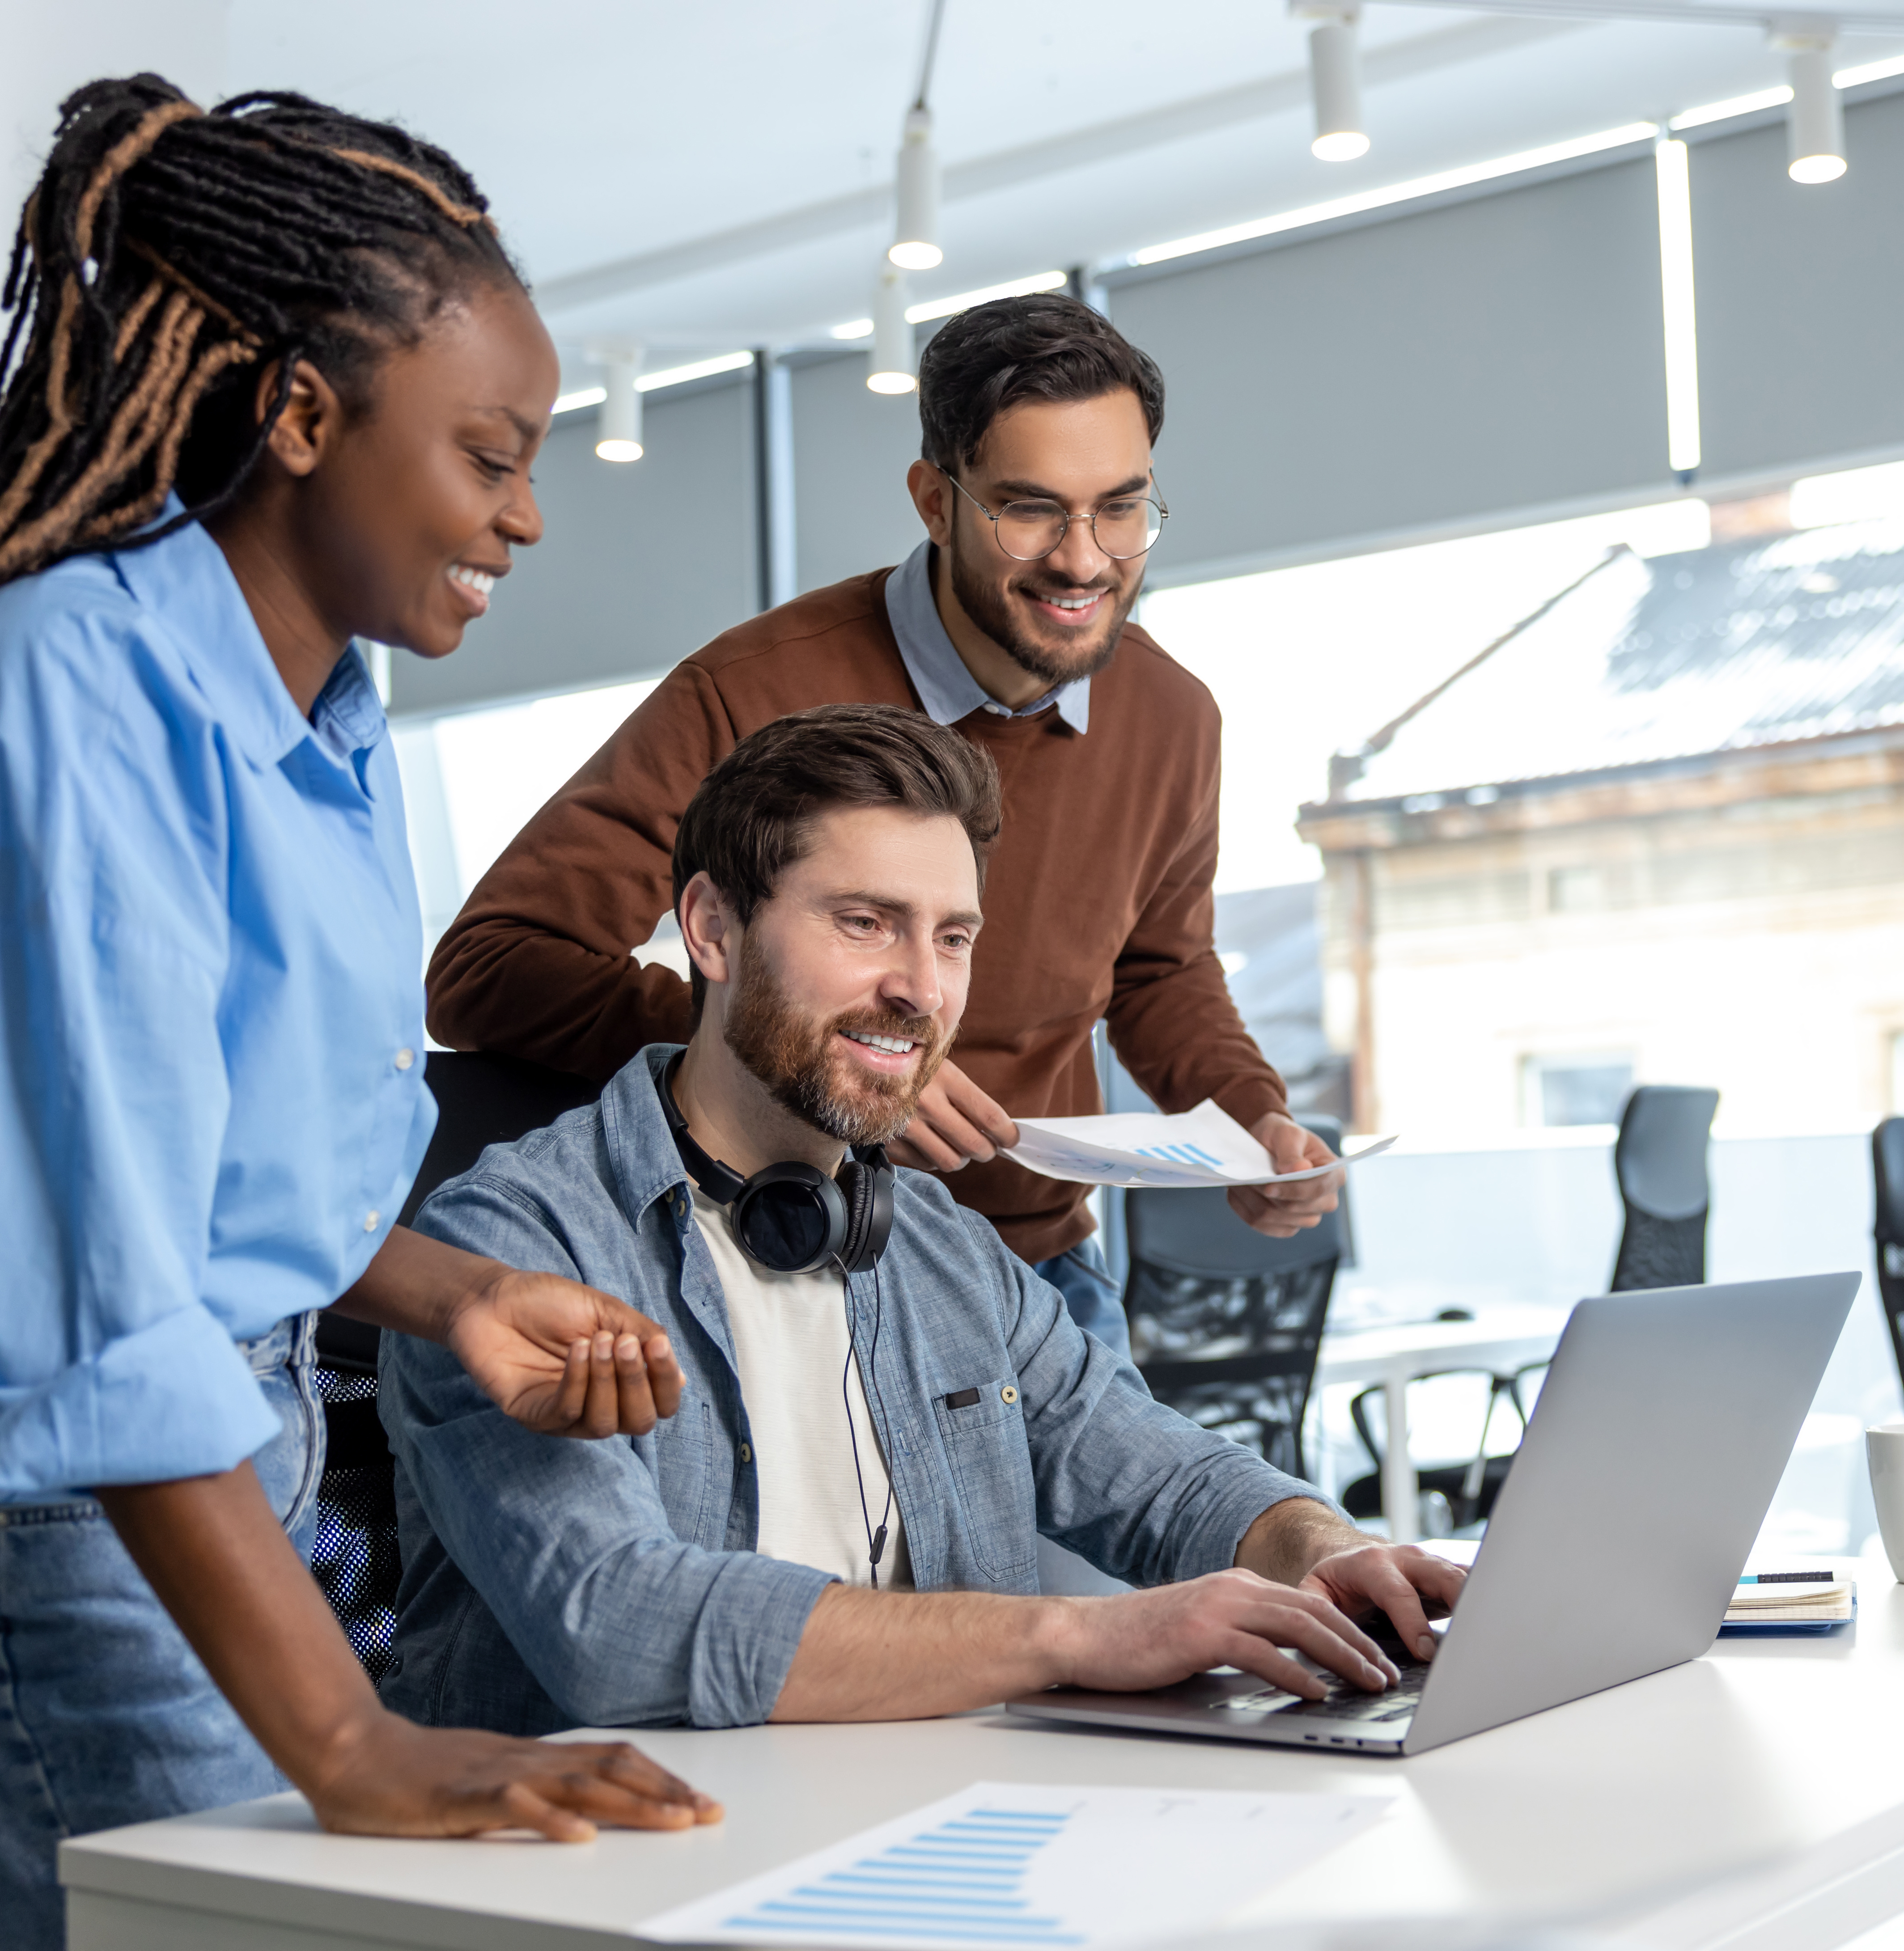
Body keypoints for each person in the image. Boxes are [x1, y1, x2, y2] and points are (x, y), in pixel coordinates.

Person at [0, 80, 711, 1951]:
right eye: (488, 453)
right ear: (299, 415)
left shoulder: (329, 726)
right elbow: (93, 1288)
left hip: (214, 1470)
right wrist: (346, 1742)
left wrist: (446, 1294)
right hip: (49, 1514)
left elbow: (197, 1175)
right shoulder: (59, 690)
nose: (527, 512)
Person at [380, 706, 1463, 1730]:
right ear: (712, 928)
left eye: (952, 937)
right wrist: (1074, 1633)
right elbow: (615, 1624)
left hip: (930, 1819)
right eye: (865, 923)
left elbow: (1165, 1474)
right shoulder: (512, 1241)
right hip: (617, 1868)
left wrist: (1323, 1550)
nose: (921, 987)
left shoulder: (941, 1243)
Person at [422, 293, 1337, 1357]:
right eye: (1029, 509)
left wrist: (1249, 1117)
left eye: (1121, 508)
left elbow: (1161, 971)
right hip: (795, 1258)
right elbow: (489, 967)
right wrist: (819, 1061)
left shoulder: (1175, 719)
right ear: (935, 501)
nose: (1086, 561)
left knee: (1187, 1518)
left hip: (1041, 1275)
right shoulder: (749, 689)